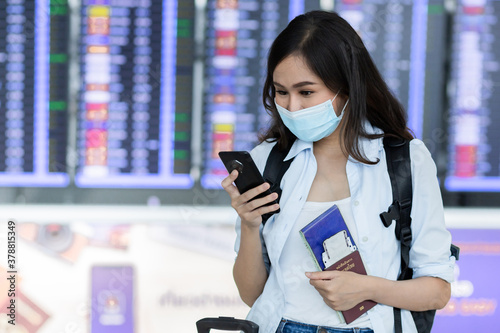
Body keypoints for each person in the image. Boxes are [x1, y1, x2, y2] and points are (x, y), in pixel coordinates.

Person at [221, 10, 455, 333]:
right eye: (281, 91)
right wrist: (249, 225)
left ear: (346, 88)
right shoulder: (266, 162)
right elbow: (251, 295)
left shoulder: (406, 161)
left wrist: (367, 288)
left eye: (306, 92)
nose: (292, 107)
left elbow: (438, 290)